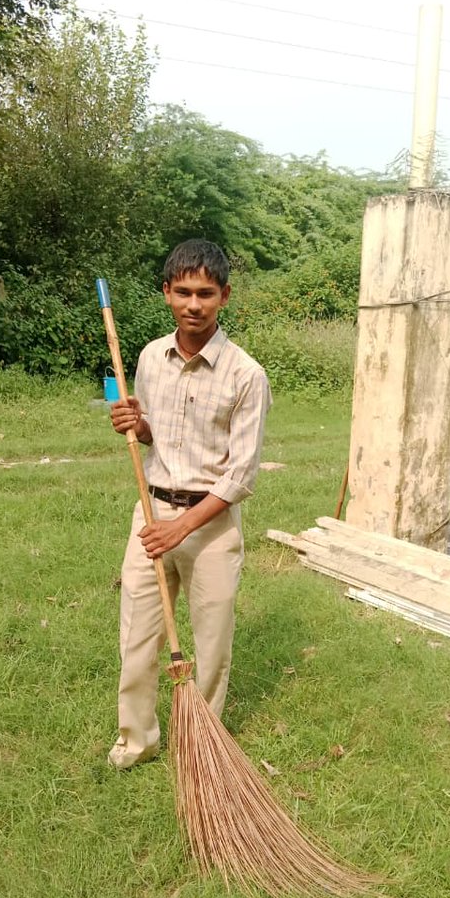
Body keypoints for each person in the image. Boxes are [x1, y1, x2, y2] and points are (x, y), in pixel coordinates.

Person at [108, 239, 272, 769]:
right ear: (166, 294)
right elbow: (162, 437)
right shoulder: (150, 358)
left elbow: (240, 476)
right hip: (151, 512)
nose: (193, 305)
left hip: (211, 525)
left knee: (210, 647)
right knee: (137, 635)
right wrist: (140, 425)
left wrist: (182, 530)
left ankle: (199, 745)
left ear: (224, 296)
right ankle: (137, 739)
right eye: (183, 292)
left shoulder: (246, 374)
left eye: (205, 293)